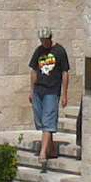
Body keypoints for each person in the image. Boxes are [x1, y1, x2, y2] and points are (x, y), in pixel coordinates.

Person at [25, 26, 71, 163]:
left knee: (48, 121)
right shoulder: (39, 51)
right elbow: (34, 71)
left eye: (45, 40)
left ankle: (43, 153)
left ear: (50, 38)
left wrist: (65, 94)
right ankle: (51, 149)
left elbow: (65, 73)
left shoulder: (59, 51)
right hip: (39, 90)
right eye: (41, 40)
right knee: (41, 121)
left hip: (52, 90)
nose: (43, 42)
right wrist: (31, 91)